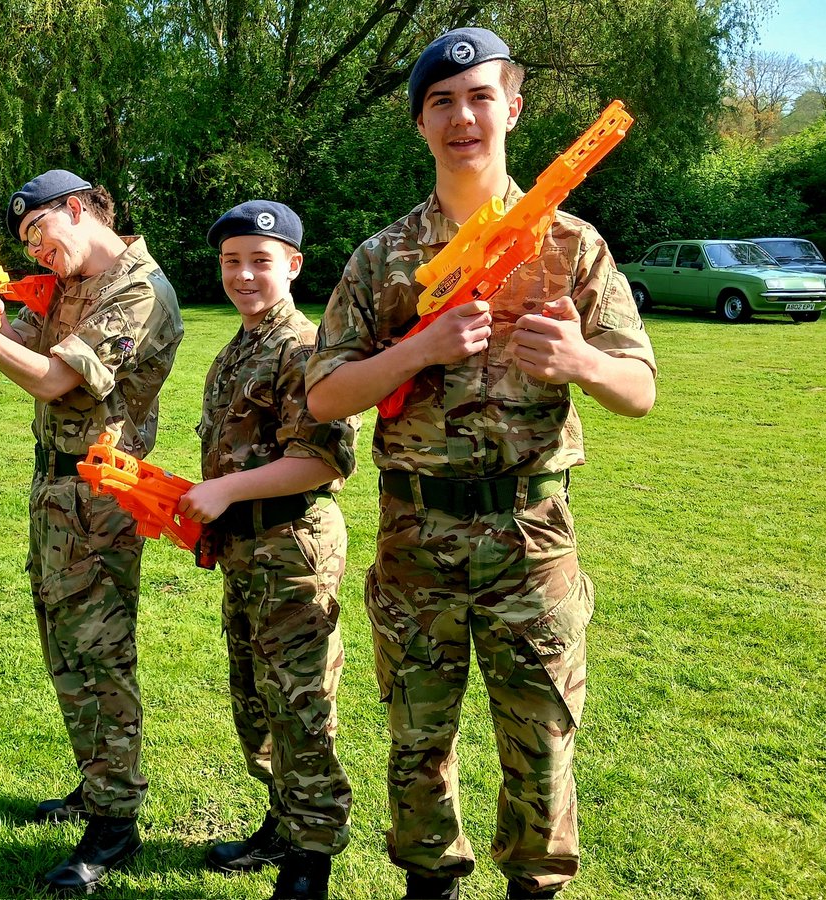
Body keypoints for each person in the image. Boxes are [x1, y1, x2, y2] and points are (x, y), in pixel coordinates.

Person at [304, 29, 657, 900]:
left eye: (479, 97)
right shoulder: (383, 258)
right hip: (416, 537)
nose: (462, 117)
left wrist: (582, 363)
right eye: (441, 102)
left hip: (532, 542)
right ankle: (432, 882)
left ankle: (535, 885)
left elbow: (639, 387)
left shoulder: (572, 245)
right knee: (418, 741)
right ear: (421, 122)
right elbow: (323, 396)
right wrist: (416, 348)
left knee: (540, 743)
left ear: (513, 109)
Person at [0, 169, 183, 896]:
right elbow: (28, 337)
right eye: (25, 241)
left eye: (38, 233)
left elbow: (56, 380)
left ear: (77, 209)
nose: (35, 251)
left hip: (101, 495)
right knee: (64, 647)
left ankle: (117, 822)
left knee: (101, 654)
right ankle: (95, 786)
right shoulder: (72, 283)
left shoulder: (139, 289)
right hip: (54, 487)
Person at [177, 201, 359, 900]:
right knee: (255, 700)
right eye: (232, 261)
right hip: (246, 552)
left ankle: (309, 861)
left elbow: (320, 461)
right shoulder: (238, 347)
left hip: (293, 548)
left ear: (293, 264)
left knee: (301, 706)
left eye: (260, 259)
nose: (244, 275)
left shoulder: (305, 348)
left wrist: (224, 494)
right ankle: (283, 822)